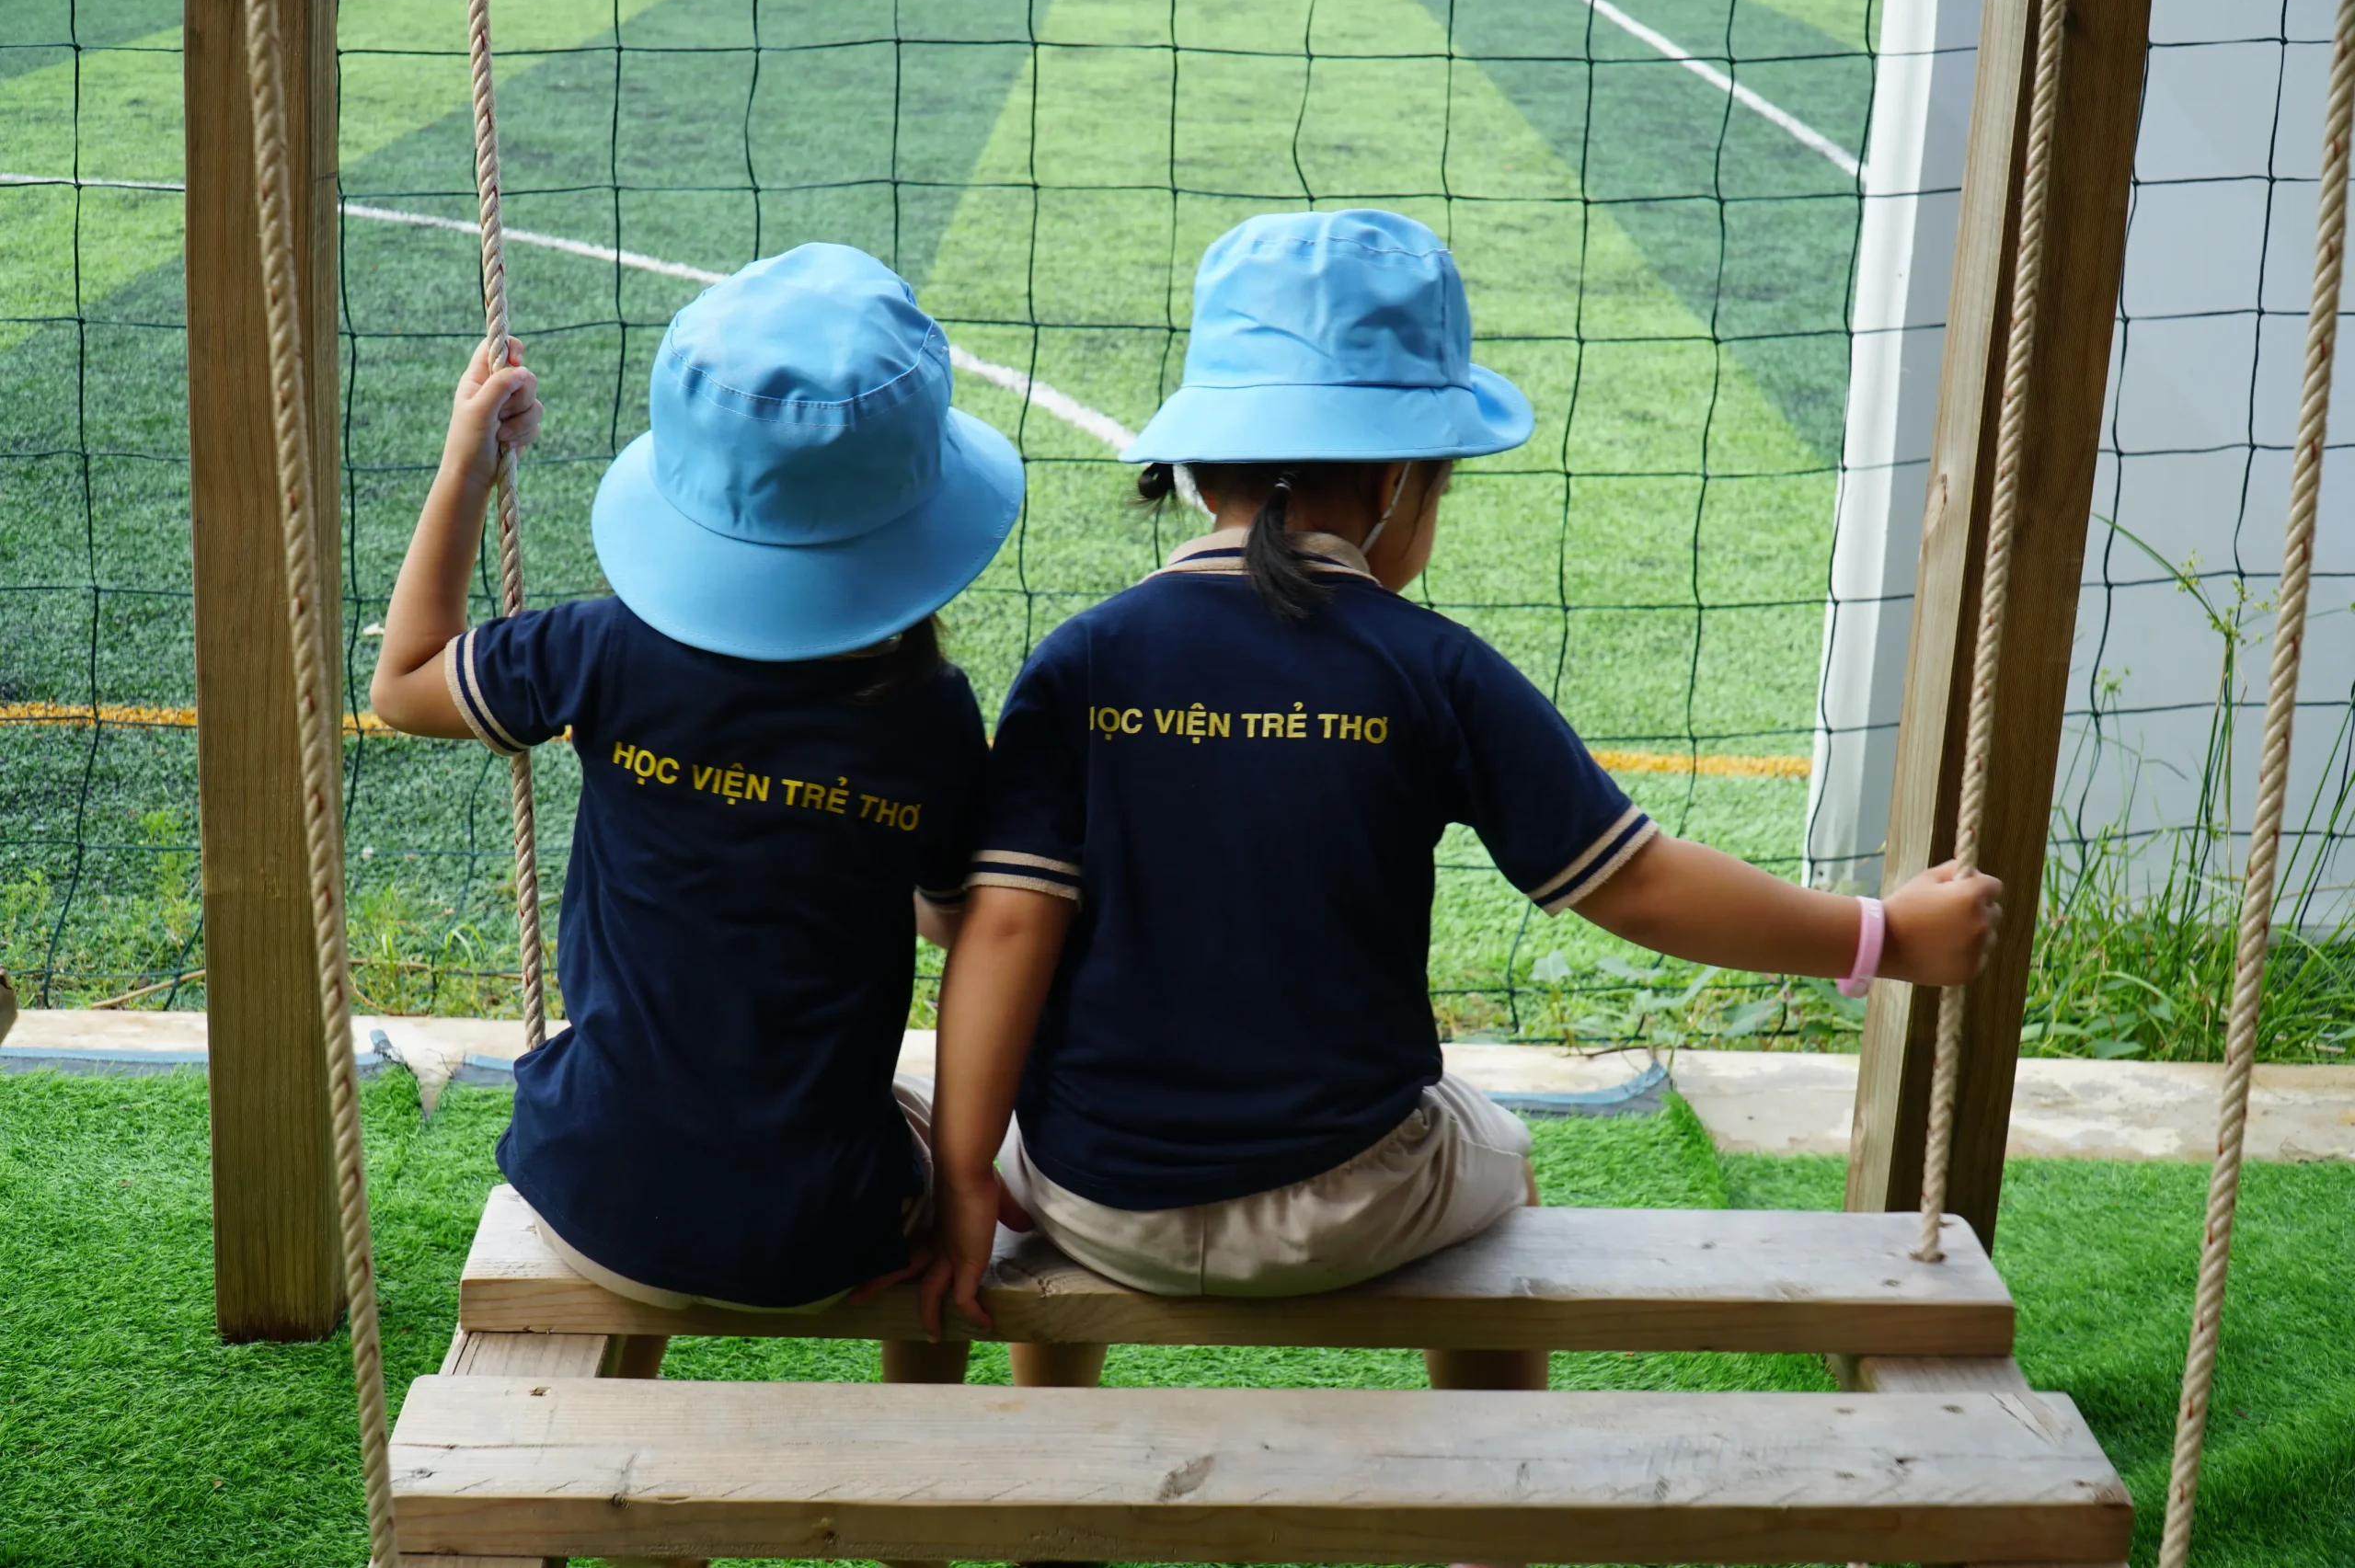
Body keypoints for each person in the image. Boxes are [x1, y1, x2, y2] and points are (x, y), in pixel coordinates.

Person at [919, 209, 2002, 1399]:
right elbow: (1638, 885)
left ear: (1194, 466)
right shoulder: (1432, 668)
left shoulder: (1080, 662)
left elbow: (1004, 926)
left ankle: (1050, 1419)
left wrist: (969, 1168)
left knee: (1050, 1112)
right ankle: (1495, 1466)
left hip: (1100, 1199)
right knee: (1503, 1150)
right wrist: (1881, 935)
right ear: (1399, 481)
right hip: (1351, 1205)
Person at [371, 244, 1021, 1392]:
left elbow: (405, 682)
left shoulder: (603, 649)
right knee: (921, 1130)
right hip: (823, 1233)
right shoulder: (925, 712)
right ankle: (918, 1443)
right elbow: (943, 918)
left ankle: (634, 1448)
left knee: (666, 1140)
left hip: (593, 1194)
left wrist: (468, 462)